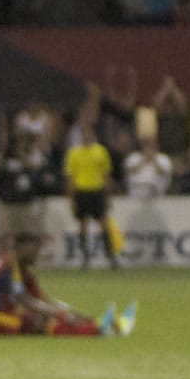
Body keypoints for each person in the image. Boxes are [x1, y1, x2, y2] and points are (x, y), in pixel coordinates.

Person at [0, 231, 124, 336]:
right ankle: (96, 330)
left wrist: (78, 315)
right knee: (39, 323)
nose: (38, 253)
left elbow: (42, 299)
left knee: (43, 317)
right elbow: (26, 301)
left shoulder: (22, 271)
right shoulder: (8, 267)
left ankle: (95, 325)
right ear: (21, 247)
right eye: (35, 248)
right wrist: (62, 315)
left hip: (7, 315)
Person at [64, 111, 120, 268]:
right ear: (81, 135)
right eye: (84, 133)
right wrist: (71, 199)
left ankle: (111, 256)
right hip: (82, 192)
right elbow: (70, 178)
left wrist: (108, 196)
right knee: (82, 226)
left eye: (89, 132)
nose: (86, 136)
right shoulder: (74, 153)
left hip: (97, 191)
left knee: (104, 225)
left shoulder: (100, 152)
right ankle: (84, 257)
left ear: (93, 134)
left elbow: (106, 175)